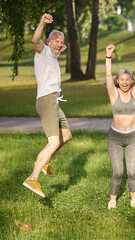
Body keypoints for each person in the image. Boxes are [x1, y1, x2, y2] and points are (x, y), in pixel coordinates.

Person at [23, 13, 72, 198]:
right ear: (49, 41)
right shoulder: (42, 51)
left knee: (66, 135)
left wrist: (58, 51)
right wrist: (42, 23)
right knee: (53, 142)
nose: (59, 44)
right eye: (56, 41)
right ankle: (33, 178)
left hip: (54, 103)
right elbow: (35, 40)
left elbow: (55, 54)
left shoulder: (52, 56)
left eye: (62, 42)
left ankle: (45, 161)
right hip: (46, 102)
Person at [105, 43, 135, 209]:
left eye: (127, 79)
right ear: (117, 81)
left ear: (131, 81)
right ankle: (112, 200)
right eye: (121, 79)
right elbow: (108, 73)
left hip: (132, 136)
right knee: (118, 172)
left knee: (132, 171)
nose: (124, 82)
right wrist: (108, 55)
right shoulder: (113, 93)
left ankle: (134, 200)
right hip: (115, 137)